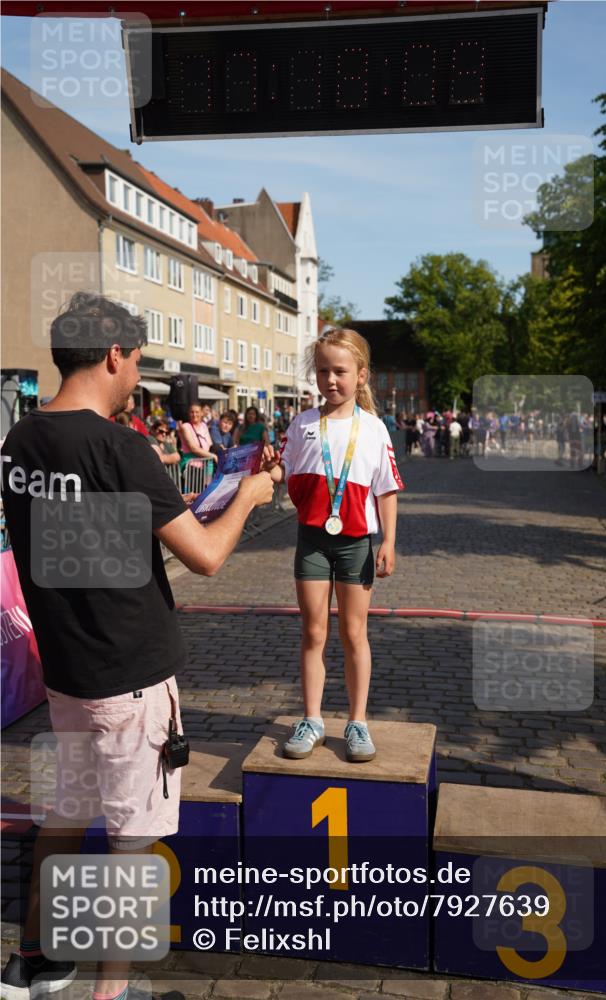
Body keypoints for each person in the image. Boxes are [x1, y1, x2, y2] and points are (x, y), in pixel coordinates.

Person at [0, 293, 274, 1000]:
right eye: (137, 364)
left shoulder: (22, 441)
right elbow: (207, 556)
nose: (138, 381)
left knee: (64, 814)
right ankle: (111, 990)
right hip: (129, 673)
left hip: (66, 670)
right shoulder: (118, 446)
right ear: (115, 355)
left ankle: (34, 958)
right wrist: (247, 494)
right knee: (131, 838)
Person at [265, 327, 403, 764]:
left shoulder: (374, 429)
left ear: (361, 375)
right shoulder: (303, 423)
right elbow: (281, 472)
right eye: (323, 370)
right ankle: (312, 719)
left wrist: (389, 541)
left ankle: (358, 722)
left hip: (356, 543)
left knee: (353, 632)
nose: (331, 380)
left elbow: (387, 490)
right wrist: (267, 469)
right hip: (311, 541)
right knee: (313, 632)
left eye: (340, 371)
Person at [176, 402, 217, 472]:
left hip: (206, 463)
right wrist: (213, 456)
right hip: (191, 464)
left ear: (201, 413)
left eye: (197, 412)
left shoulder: (204, 426)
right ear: (189, 414)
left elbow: (210, 445)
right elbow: (193, 449)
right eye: (192, 412)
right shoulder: (185, 426)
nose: (194, 415)